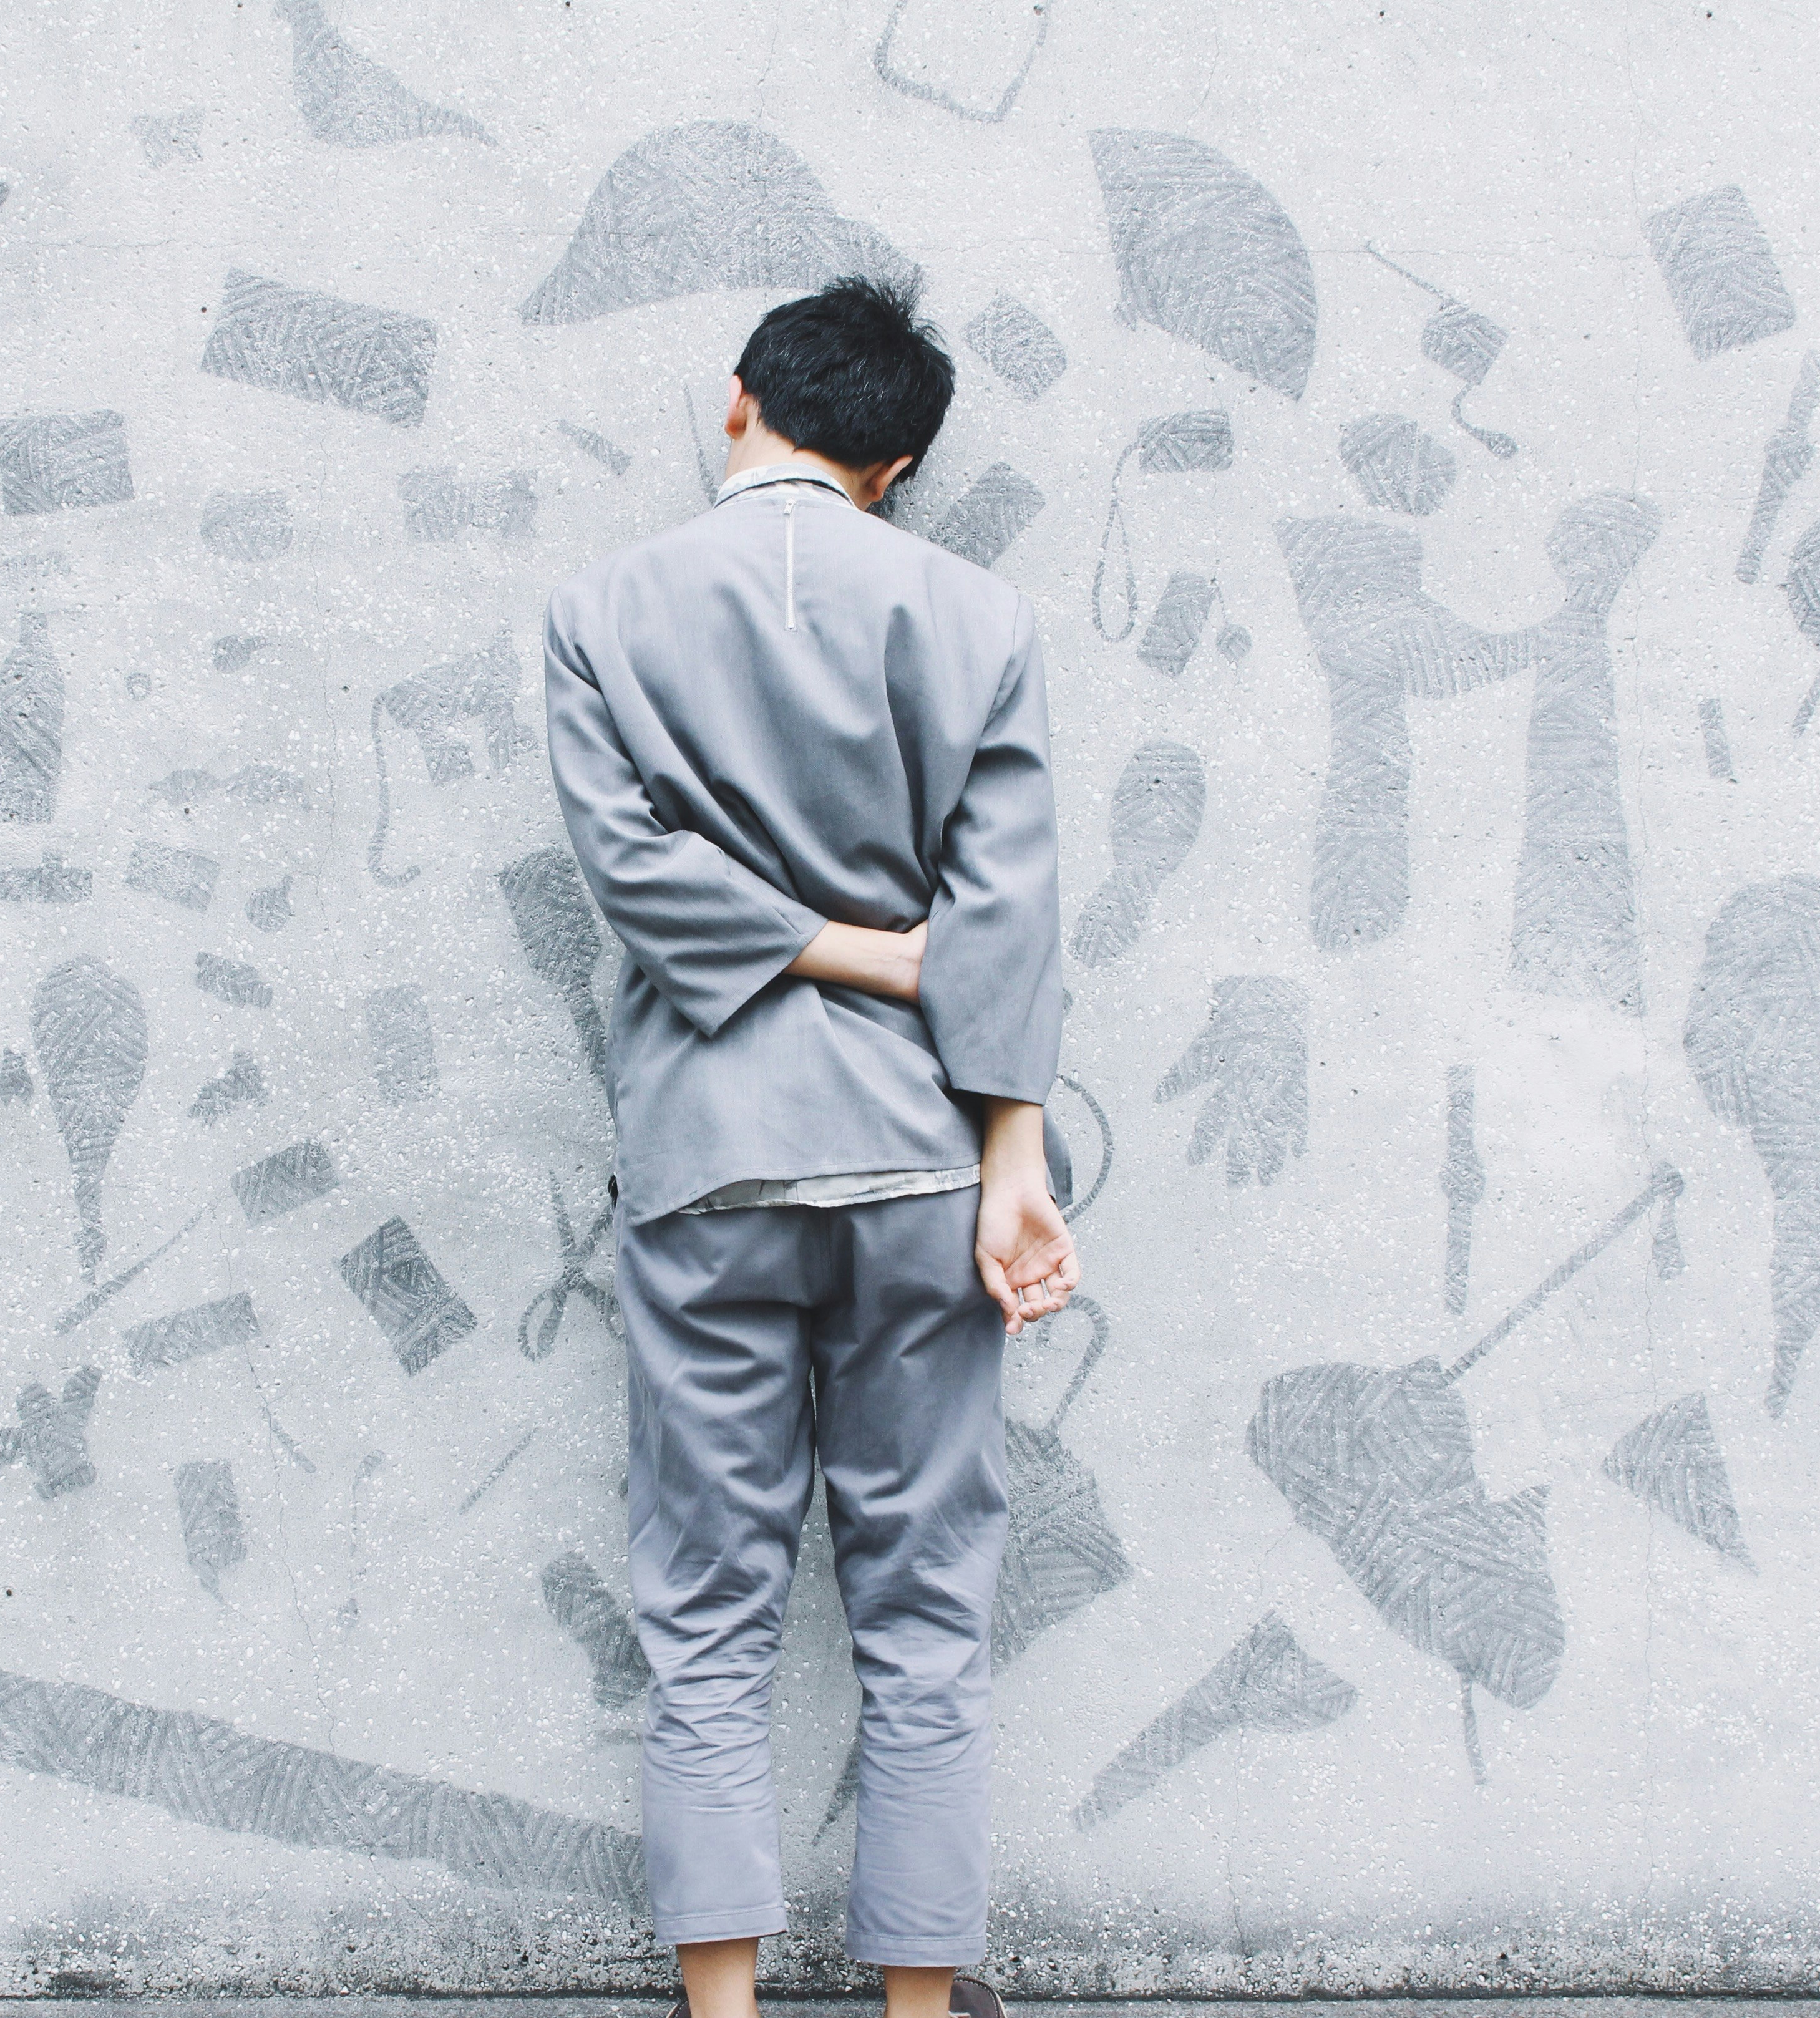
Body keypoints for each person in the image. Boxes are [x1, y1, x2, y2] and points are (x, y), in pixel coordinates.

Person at [540, 276, 1076, 2018]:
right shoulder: (977, 616)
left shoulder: (602, 611)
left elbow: (631, 877)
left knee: (704, 1600)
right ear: (898, 460)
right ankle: (917, 2016)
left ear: (733, 406)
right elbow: (1008, 920)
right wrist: (1013, 1163)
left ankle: (723, 2012)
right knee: (922, 1607)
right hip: (924, 1160)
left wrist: (817, 944)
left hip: (705, 1155)